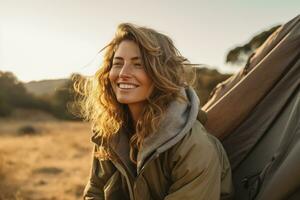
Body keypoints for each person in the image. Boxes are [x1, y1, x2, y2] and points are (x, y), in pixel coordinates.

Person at [75, 23, 233, 200]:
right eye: (117, 63)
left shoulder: (194, 147)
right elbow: (95, 191)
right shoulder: (109, 133)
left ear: (161, 74)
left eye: (138, 64)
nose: (123, 73)